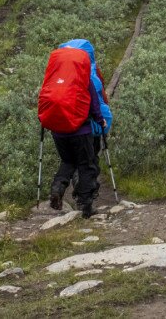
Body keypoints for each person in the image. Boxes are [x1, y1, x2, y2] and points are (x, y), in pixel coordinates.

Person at [39, 44, 106, 218]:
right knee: (87, 165)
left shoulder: (52, 78)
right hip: (80, 131)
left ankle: (58, 188)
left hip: (58, 132)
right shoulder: (84, 78)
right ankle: (85, 205)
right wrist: (101, 121)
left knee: (68, 161)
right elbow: (94, 105)